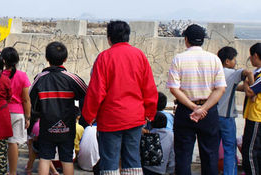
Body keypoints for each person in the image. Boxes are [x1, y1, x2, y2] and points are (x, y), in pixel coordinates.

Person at [83, 21, 158, 175]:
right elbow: (149, 88)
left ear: (109, 38)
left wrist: (88, 116)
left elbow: (96, 91)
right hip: (135, 117)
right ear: (127, 36)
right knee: (132, 159)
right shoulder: (139, 56)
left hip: (110, 119)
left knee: (109, 160)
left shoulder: (104, 58)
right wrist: (150, 113)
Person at [167, 24, 226, 175]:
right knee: (210, 155)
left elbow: (174, 88)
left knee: (183, 154)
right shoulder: (214, 59)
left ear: (186, 39)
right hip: (209, 111)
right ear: (203, 40)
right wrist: (203, 108)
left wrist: (194, 108)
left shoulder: (178, 59)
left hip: (186, 110)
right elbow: (220, 88)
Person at [29, 41, 88, 175]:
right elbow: (87, 93)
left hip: (46, 126)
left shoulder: (40, 78)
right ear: (65, 59)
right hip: (67, 126)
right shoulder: (72, 78)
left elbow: (29, 98)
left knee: (44, 158)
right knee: (67, 159)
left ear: (47, 59)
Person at [217, 46, 254, 175]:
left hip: (212, 116)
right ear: (227, 61)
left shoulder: (215, 71)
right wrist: (251, 89)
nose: (235, 63)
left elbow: (230, 87)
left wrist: (243, 86)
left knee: (213, 148)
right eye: (234, 60)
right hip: (226, 117)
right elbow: (248, 72)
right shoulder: (231, 72)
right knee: (229, 149)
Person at [1, 46, 32, 175]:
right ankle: (12, 172)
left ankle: (0, 170)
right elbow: (26, 100)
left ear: (3, 61)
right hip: (17, 113)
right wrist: (28, 117)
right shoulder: (22, 76)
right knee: (13, 143)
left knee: (1, 144)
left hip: (1, 112)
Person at [242, 43, 261, 175]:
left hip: (256, 116)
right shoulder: (257, 72)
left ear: (255, 56)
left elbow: (250, 93)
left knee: (249, 151)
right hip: (252, 115)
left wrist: (245, 80)